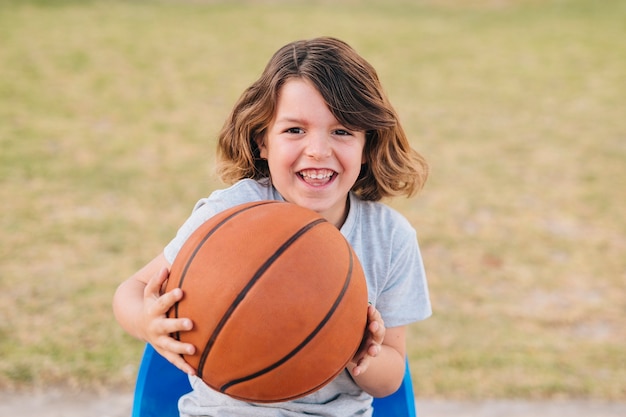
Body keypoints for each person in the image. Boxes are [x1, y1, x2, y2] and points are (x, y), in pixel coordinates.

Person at [113, 36, 431, 417]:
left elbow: (390, 378)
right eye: (295, 130)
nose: (317, 149)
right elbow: (130, 291)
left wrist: (355, 350)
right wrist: (147, 323)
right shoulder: (229, 215)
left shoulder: (389, 239)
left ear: (367, 145)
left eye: (342, 131)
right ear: (263, 139)